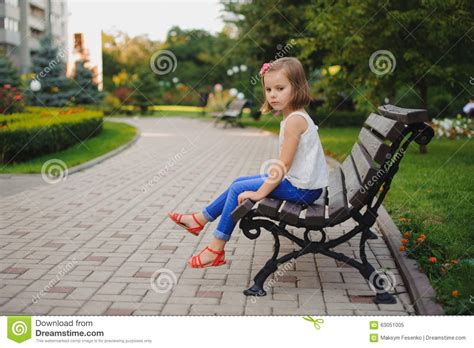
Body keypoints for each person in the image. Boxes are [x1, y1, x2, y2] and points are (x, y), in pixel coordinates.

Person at [167, 57, 329, 268]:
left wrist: (259, 193)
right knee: (239, 182)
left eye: (280, 88)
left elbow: (284, 166)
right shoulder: (294, 116)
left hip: (303, 190)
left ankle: (215, 248)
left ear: (297, 87)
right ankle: (199, 219)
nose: (272, 94)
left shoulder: (294, 121)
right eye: (269, 89)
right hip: (303, 185)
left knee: (240, 189)